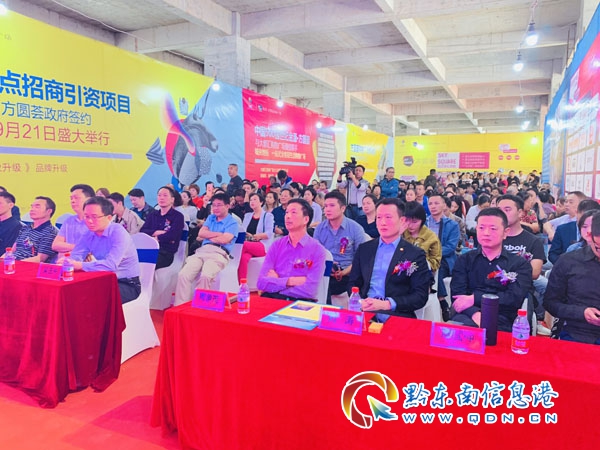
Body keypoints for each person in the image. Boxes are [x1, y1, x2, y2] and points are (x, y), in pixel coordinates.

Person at [450, 208, 532, 331]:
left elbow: (514, 298)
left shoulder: (519, 264)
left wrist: (475, 298)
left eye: (493, 229)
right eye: (481, 228)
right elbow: (458, 296)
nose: (486, 233)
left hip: (502, 318)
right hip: (467, 314)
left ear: (505, 232)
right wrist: (475, 313)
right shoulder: (464, 260)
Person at [349, 198, 432, 319]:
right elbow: (353, 283)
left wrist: (387, 304)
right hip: (364, 312)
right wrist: (360, 301)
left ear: (402, 220)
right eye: (379, 217)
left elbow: (420, 296)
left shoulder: (414, 254)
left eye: (388, 217)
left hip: (397, 315)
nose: (382, 222)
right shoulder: (364, 249)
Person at [65, 197, 141, 303]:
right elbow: (76, 255)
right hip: (103, 279)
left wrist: (80, 265)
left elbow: (111, 265)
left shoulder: (118, 232)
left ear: (109, 217)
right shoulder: (88, 234)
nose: (89, 221)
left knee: (91, 296)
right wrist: (68, 262)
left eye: (95, 217)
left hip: (126, 284)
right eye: (86, 216)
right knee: (71, 290)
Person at [544, 213, 600, 345]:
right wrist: (581, 313)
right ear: (589, 236)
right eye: (598, 247)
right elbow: (550, 303)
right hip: (577, 332)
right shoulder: (569, 261)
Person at [498, 194, 550, 335]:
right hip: (491, 289)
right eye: (499, 210)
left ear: (520, 212)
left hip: (521, 291)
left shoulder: (533, 241)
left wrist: (505, 270)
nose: (502, 214)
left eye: (507, 209)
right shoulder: (493, 238)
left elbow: (534, 273)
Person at [257, 199, 327, 302]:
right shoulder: (276, 245)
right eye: (287, 212)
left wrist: (277, 281)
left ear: (306, 219)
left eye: (293, 212)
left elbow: (310, 290)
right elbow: (261, 283)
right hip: (273, 299)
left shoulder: (317, 250)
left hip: (301, 303)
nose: (288, 216)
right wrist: (290, 281)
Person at [175, 193, 238, 304]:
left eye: (219, 205)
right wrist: (219, 234)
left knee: (205, 276)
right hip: (202, 251)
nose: (215, 208)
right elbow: (201, 233)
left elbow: (225, 240)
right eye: (213, 205)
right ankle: (181, 306)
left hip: (219, 253)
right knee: (183, 275)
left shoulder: (232, 222)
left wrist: (208, 236)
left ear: (227, 206)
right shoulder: (211, 218)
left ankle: (200, 306)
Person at [314, 191, 367, 304]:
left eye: (332, 206)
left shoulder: (355, 228)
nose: (327, 209)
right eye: (326, 206)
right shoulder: (319, 229)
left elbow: (361, 259)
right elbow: (315, 254)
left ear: (343, 208)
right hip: (325, 271)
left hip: (348, 273)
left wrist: (344, 272)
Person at [426, 194, 460, 321]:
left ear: (444, 205)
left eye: (436, 203)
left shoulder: (452, 225)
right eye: (430, 204)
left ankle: (442, 302)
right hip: (424, 258)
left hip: (444, 259)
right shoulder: (424, 223)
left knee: (436, 269)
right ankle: (442, 302)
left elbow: (451, 247)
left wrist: (433, 255)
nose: (433, 206)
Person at [140, 186, 185, 269]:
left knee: (146, 264)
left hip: (165, 253)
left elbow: (172, 235)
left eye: (165, 195)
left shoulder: (178, 216)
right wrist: (157, 232)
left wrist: (157, 238)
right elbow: (143, 231)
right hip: (149, 248)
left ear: (172, 199)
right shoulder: (152, 215)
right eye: (159, 195)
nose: (161, 198)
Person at [548, 199, 600, 264]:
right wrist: (563, 264)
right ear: (577, 213)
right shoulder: (563, 230)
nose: (589, 230)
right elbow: (553, 254)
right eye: (585, 225)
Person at [238, 193, 274, 283]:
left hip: (261, 245)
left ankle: (231, 259)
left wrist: (255, 236)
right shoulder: (247, 216)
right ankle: (242, 284)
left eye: (255, 199)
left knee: (243, 245)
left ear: (261, 202)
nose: (252, 202)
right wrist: (246, 234)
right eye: (250, 200)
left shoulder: (268, 216)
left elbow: (269, 233)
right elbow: (243, 230)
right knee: (243, 258)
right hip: (249, 244)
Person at [52, 184, 96, 255]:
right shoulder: (69, 220)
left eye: (76, 198)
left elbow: (94, 248)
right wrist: (77, 248)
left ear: (89, 200)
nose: (73, 201)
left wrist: (67, 248)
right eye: (71, 198)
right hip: (68, 259)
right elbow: (55, 245)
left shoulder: (96, 221)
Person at [13, 196, 58, 263]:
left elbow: (40, 259)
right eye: (32, 207)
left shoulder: (50, 232)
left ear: (49, 211)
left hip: (29, 265)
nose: (32, 209)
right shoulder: (25, 228)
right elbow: (12, 250)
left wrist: (17, 264)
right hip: (13, 263)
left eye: (37, 207)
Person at [402, 201, 441, 272]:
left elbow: (436, 263)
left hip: (422, 272)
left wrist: (421, 263)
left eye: (414, 222)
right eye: (407, 221)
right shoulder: (401, 232)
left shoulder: (431, 237)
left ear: (422, 220)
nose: (410, 225)